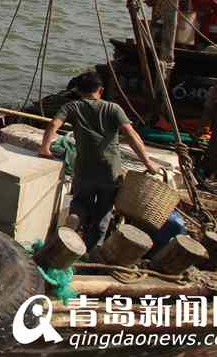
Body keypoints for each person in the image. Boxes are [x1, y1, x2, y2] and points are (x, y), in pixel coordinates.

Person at [39, 71, 160, 252]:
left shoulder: (72, 107)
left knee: (80, 203)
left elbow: (53, 124)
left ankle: (75, 221)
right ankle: (91, 250)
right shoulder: (113, 108)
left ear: (79, 91)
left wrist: (45, 148)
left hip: (85, 169)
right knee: (103, 213)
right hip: (110, 172)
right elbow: (131, 135)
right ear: (101, 90)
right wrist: (148, 163)